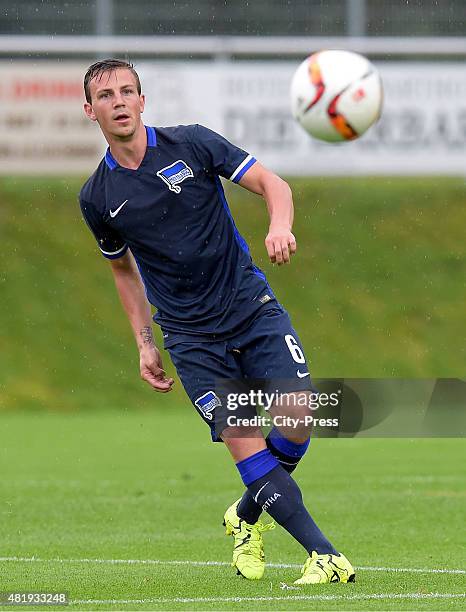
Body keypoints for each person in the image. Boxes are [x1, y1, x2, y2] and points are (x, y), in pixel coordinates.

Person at [79, 58, 355, 585]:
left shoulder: (194, 144)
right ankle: (325, 555)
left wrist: (280, 227)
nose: (119, 101)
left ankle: (246, 515)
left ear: (142, 100)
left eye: (127, 91)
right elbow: (123, 272)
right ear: (90, 111)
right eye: (107, 95)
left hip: (251, 308)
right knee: (244, 435)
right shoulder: (98, 197)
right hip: (190, 337)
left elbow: (274, 183)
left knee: (297, 419)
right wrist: (145, 343)